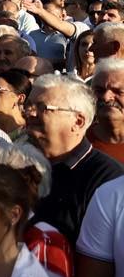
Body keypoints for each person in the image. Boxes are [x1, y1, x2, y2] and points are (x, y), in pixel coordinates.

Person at [26, 72, 123, 245]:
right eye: (28, 105)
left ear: (78, 121)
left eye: (42, 108)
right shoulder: (16, 163)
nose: (29, 113)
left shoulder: (107, 180)